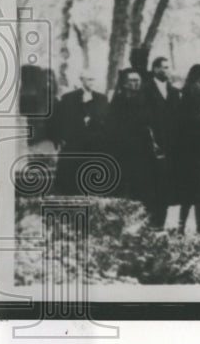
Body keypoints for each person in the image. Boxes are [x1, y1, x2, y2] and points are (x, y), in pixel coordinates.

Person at [51, 70, 109, 196]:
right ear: (81, 80)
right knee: (71, 176)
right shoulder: (69, 98)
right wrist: (61, 138)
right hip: (74, 142)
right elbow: (59, 120)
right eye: (89, 79)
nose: (92, 82)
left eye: (93, 79)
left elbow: (107, 120)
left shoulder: (102, 98)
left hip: (95, 143)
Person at [174, 64, 200, 233]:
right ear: (192, 82)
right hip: (187, 150)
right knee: (187, 190)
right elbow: (181, 122)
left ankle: (199, 226)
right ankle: (181, 224)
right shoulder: (183, 98)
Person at [105, 68, 156, 204]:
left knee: (140, 185)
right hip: (122, 150)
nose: (136, 83)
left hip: (141, 149)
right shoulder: (117, 102)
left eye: (138, 80)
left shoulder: (145, 101)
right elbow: (111, 126)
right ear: (125, 84)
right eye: (132, 81)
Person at [143, 57, 180, 229]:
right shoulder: (146, 89)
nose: (166, 71)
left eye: (168, 67)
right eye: (162, 68)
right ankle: (149, 223)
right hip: (152, 145)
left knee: (165, 186)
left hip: (171, 145)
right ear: (154, 69)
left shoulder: (173, 91)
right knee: (152, 185)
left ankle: (160, 224)